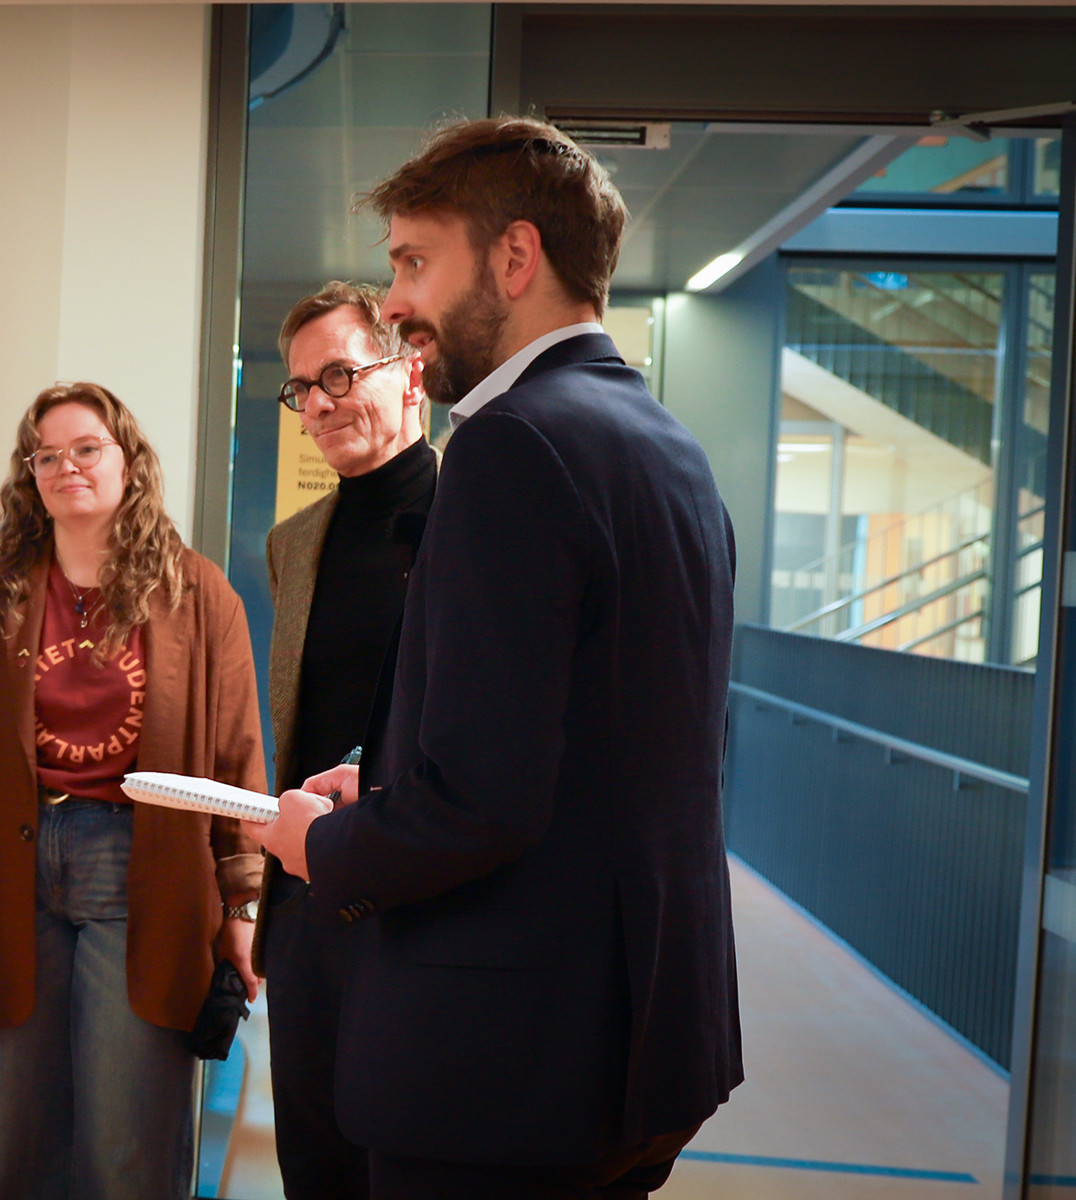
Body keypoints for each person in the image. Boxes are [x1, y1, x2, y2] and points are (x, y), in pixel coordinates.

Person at [250, 117, 742, 1200]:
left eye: (415, 262)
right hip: (632, 1034)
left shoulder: (511, 446)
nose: (397, 305)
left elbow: (482, 802)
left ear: (516, 256)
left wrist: (324, 844)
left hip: (503, 1061)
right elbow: (590, 746)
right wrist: (378, 783)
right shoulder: (664, 444)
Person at [0, 383, 265, 1200]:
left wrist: (243, 909)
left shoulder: (197, 593)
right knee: (22, 1138)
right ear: (29, 476)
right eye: (48, 455)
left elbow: (238, 757)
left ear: (128, 462)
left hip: (143, 866)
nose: (66, 466)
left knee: (126, 1142)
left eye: (86, 448)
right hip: (12, 870)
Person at [255, 282, 432, 1200]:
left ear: (410, 370)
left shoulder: (469, 518)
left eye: (338, 374)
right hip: (307, 900)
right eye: (301, 389)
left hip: (420, 903)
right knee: (316, 1166)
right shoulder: (295, 542)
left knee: (404, 1164)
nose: (318, 405)